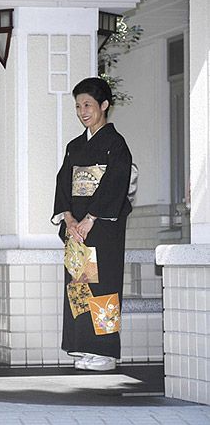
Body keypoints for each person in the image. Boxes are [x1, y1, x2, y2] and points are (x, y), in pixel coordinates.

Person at [52, 77, 133, 372]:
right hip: (77, 230)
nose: (82, 111)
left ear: (104, 105)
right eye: (77, 106)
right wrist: (70, 219)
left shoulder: (116, 144)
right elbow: (63, 185)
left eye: (88, 104)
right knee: (79, 287)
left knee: (103, 287)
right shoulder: (75, 146)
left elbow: (115, 184)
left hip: (102, 228)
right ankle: (84, 346)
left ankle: (105, 351)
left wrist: (90, 219)